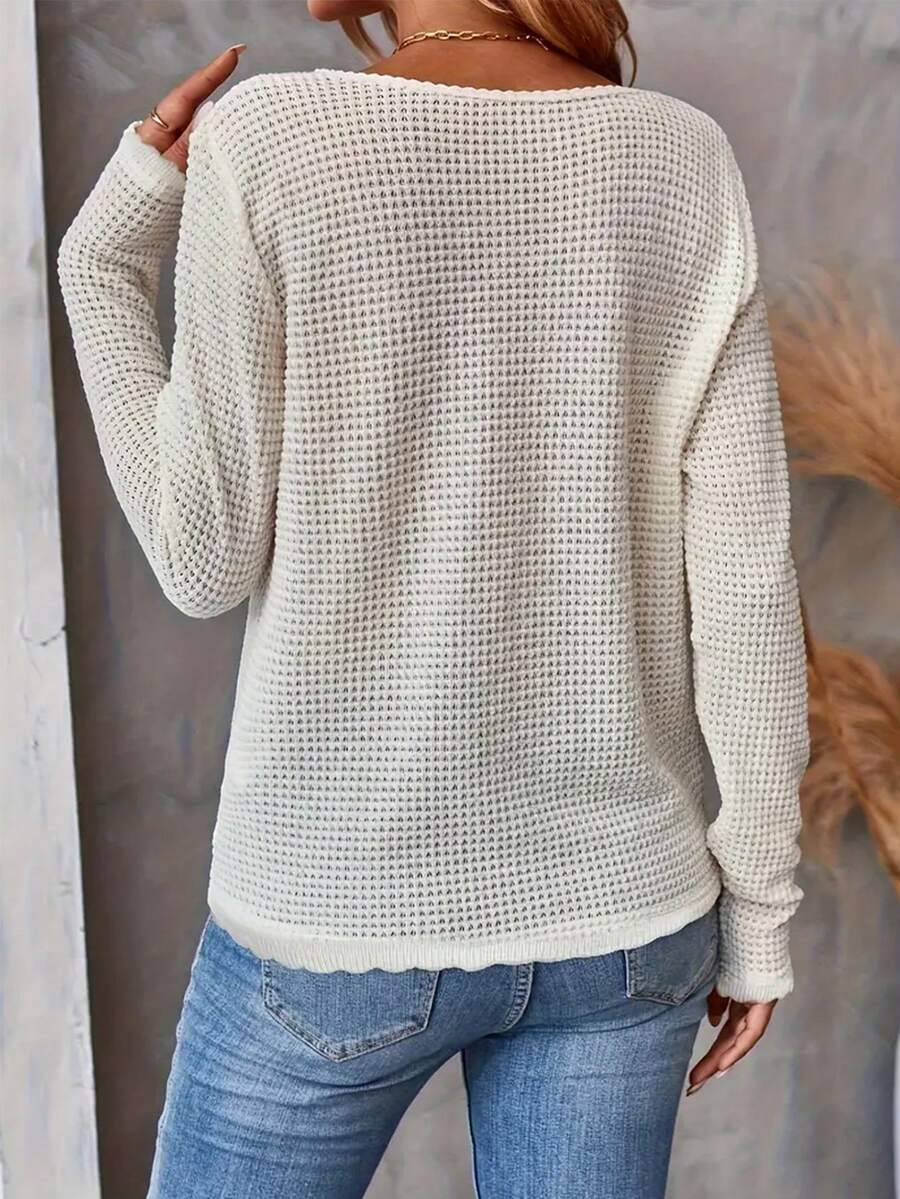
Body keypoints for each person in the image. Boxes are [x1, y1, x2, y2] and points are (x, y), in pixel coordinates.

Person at [56, 1, 811, 1195]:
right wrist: (759, 917)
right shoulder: (681, 156)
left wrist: (100, 261)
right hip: (624, 921)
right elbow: (746, 582)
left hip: (341, 910)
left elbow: (200, 560)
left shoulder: (275, 137)